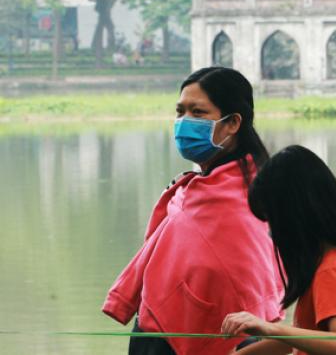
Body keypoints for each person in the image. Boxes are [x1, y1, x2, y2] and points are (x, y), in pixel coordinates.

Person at [102, 67, 284, 355]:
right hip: (158, 334)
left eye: (198, 113)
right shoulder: (194, 187)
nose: (184, 122)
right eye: (180, 111)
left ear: (233, 122)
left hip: (233, 341)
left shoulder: (253, 195)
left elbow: (251, 282)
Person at [222, 145, 336, 355]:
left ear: (296, 215)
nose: (272, 232)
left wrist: (269, 328)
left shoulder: (329, 270)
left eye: (273, 220)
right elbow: (303, 337)